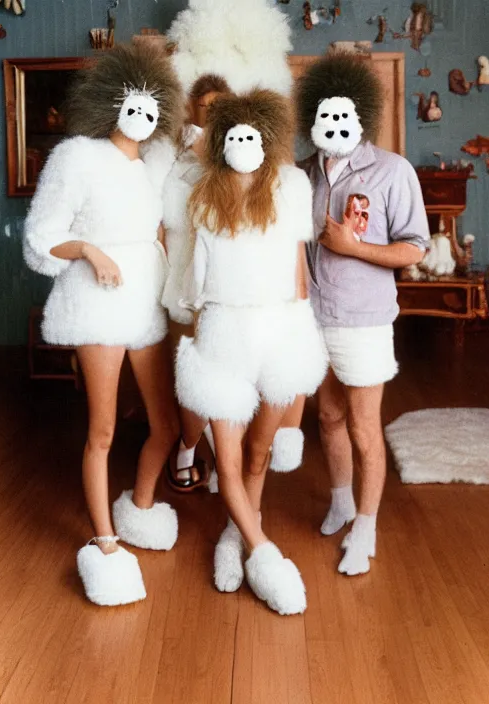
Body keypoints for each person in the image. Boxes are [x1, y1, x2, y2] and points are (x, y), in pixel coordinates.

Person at [23, 44, 184, 606]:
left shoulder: (158, 163)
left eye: (150, 109)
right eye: (131, 105)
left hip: (146, 303)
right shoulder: (77, 157)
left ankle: (139, 507)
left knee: (167, 426)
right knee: (103, 429)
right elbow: (40, 239)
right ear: (112, 104)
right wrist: (90, 249)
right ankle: (107, 543)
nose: (140, 118)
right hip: (96, 304)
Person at [175, 89, 328, 614]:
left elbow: (298, 269)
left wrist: (302, 333)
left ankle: (234, 535)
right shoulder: (203, 195)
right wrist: (198, 332)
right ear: (221, 141)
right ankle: (259, 550)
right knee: (230, 454)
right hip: (222, 329)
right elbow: (197, 278)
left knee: (260, 451)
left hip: (279, 327)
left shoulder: (289, 186)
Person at [297, 52, 430, 576]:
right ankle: (340, 502)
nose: (333, 123)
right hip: (311, 319)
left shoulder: (392, 171)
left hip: (364, 319)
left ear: (359, 114)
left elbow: (414, 248)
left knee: (362, 425)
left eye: (343, 112)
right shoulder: (301, 175)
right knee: (327, 416)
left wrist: (353, 249)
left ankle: (366, 528)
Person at [160, 73, 231, 493]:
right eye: (205, 106)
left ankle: (218, 457)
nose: (210, 113)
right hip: (177, 282)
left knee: (221, 377)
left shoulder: (231, 156)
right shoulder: (172, 157)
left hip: (221, 285)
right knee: (191, 377)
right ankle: (187, 450)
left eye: (218, 107)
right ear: (192, 107)